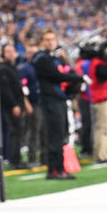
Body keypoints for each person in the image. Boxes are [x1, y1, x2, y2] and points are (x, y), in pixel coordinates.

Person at [32, 28, 83, 180]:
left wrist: (66, 59)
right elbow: (58, 76)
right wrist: (78, 78)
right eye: (47, 39)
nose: (50, 42)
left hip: (60, 99)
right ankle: (54, 169)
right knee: (55, 135)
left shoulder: (55, 57)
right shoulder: (41, 58)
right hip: (50, 99)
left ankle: (60, 168)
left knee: (60, 134)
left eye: (52, 39)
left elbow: (70, 71)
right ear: (42, 42)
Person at [0, 44, 30, 170]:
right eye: (7, 51)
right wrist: (14, 105)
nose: (10, 54)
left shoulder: (13, 67)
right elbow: (6, 90)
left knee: (17, 131)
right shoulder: (3, 68)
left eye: (12, 51)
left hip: (18, 104)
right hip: (12, 105)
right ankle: (14, 160)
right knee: (14, 132)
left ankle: (17, 159)